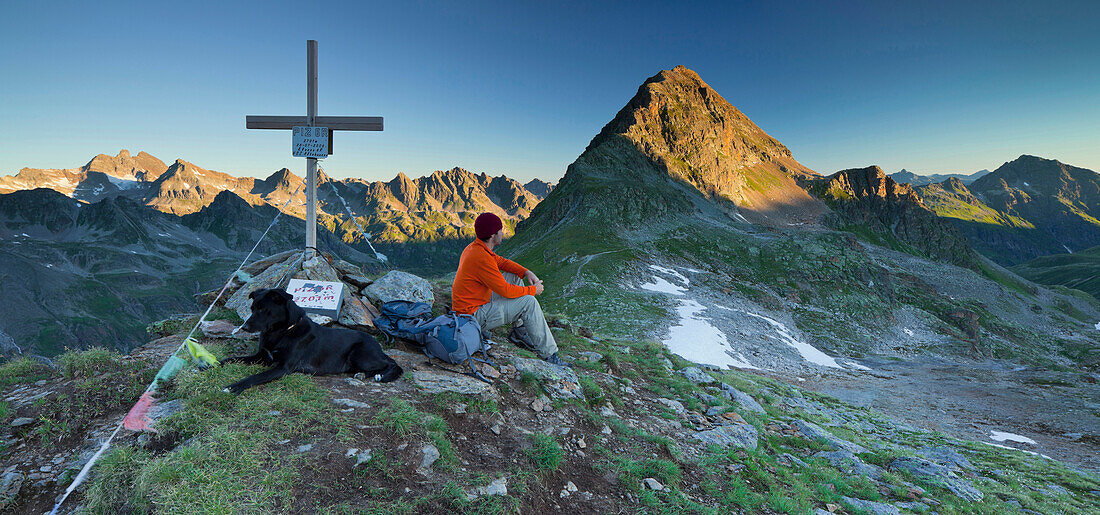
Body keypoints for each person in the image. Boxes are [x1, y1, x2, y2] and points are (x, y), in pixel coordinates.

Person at [452, 212, 569, 367]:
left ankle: (520, 331)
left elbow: (502, 263)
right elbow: (506, 291)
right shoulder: (482, 258)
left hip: (471, 305)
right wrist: (532, 290)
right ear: (493, 235)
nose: (503, 232)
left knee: (514, 276)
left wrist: (526, 272)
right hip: (471, 316)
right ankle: (549, 354)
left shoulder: (475, 248)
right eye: (500, 230)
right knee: (529, 302)